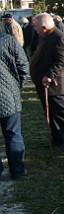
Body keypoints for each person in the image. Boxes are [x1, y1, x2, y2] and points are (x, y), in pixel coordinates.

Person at [30, 13, 64, 149]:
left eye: (36, 26)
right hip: (47, 86)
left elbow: (63, 60)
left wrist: (49, 75)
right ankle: (59, 138)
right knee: (51, 114)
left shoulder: (58, 37)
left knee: (63, 114)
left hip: (56, 86)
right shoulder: (46, 37)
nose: (34, 29)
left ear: (44, 27)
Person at [0, 29, 28, 179]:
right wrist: (17, 86)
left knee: (13, 134)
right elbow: (23, 65)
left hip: (7, 92)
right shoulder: (9, 40)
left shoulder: (9, 40)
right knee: (13, 134)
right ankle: (17, 170)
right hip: (8, 94)